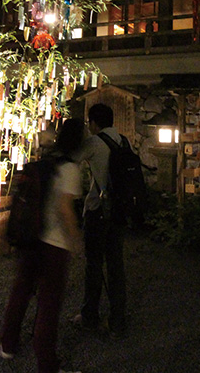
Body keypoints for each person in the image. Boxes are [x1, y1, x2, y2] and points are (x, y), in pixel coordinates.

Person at [0, 118, 85, 373]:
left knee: (21, 291)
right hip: (53, 245)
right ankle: (47, 362)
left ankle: (7, 344)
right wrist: (75, 241)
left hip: (30, 238)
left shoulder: (47, 161)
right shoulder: (70, 168)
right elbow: (65, 209)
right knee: (49, 302)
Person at [72, 103, 127, 338]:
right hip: (118, 211)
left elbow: (71, 159)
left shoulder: (95, 142)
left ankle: (89, 316)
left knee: (93, 265)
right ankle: (117, 318)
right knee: (115, 265)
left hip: (97, 210)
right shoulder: (123, 141)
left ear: (94, 122)